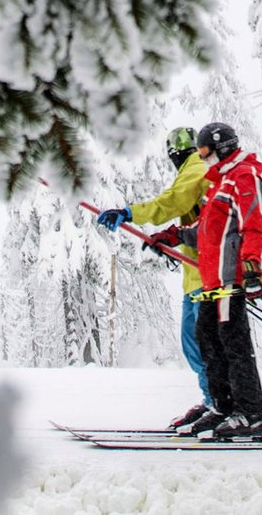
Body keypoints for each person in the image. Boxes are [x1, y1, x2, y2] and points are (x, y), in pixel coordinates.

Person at [147, 121, 262, 440]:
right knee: (207, 338)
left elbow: (253, 226)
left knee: (234, 345)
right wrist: (173, 235)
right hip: (211, 280)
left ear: (223, 148)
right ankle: (223, 406)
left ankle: (252, 413)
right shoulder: (220, 182)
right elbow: (206, 230)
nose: (201, 158)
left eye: (205, 151)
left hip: (231, 277)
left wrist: (251, 267)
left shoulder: (244, 177)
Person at [96, 126, 212, 428]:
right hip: (195, 275)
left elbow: (174, 201)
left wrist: (130, 212)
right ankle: (213, 400)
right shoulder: (193, 167)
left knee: (203, 342)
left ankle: (221, 403)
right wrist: (170, 238)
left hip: (207, 275)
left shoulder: (196, 168)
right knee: (193, 342)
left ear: (176, 153)